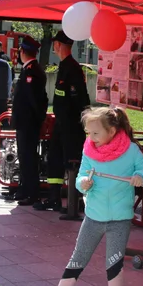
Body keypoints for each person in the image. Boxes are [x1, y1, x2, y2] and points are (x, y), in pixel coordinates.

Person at [32, 106, 143, 286]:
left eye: (95, 133)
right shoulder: (89, 149)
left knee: (114, 264)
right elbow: (81, 176)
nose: (91, 138)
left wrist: (140, 177)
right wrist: (83, 184)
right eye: (88, 133)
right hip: (93, 216)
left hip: (120, 218)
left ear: (112, 131)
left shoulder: (131, 150)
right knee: (77, 260)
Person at [36, 30, 90, 219]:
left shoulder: (72, 68)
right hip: (62, 123)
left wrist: (78, 122)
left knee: (72, 162)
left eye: (55, 44)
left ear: (59, 45)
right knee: (55, 159)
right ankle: (54, 198)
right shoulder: (65, 66)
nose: (53, 47)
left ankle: (77, 203)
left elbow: (78, 99)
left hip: (71, 125)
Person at [10, 37, 48, 206]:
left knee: (28, 158)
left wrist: (36, 120)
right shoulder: (29, 69)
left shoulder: (32, 71)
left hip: (28, 123)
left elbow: (34, 100)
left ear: (22, 52)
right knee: (24, 157)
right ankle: (24, 188)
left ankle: (31, 192)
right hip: (25, 122)